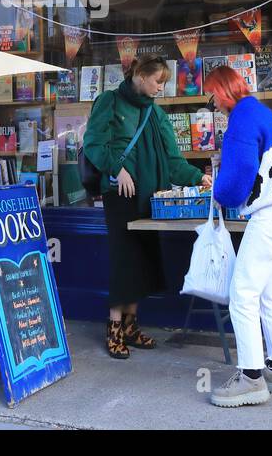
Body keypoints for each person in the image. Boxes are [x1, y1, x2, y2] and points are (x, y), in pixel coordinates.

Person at [82, 55, 212, 359]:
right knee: (124, 260)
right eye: (158, 81)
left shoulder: (156, 114)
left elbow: (172, 160)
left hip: (150, 198)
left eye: (164, 82)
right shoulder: (109, 102)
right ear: (139, 76)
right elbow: (93, 143)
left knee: (143, 261)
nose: (160, 88)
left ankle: (130, 325)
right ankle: (113, 328)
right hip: (120, 196)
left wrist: (199, 177)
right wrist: (117, 168)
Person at [205, 65, 272, 408]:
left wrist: (219, 191)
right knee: (270, 293)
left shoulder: (239, 119)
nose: (212, 104)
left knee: (243, 294)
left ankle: (251, 378)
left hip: (271, 213)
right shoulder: (259, 111)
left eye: (212, 95)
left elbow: (238, 178)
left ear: (222, 92)